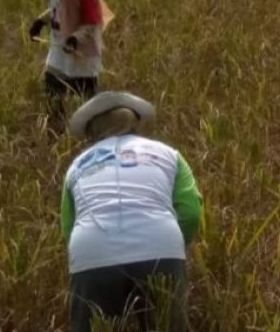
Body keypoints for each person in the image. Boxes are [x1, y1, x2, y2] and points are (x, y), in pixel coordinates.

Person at [62, 91, 203, 332]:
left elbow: (68, 227)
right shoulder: (169, 155)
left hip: (92, 252)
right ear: (135, 125)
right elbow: (190, 213)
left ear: (92, 133)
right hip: (160, 246)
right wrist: (172, 248)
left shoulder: (76, 166)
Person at [18, 0, 114, 128]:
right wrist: (41, 20)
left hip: (81, 54)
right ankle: (55, 132)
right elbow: (59, 8)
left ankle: (90, 133)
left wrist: (74, 39)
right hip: (58, 52)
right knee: (53, 94)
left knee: (85, 100)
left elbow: (92, 22)